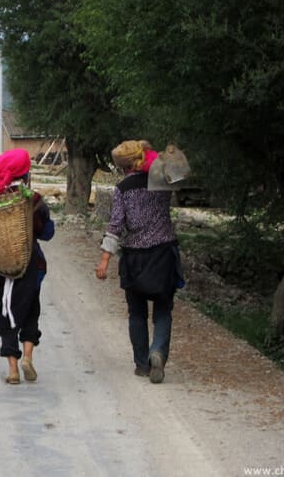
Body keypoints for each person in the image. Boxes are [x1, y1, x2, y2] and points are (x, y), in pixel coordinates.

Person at [95, 140, 183, 384]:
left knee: (136, 313)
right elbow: (180, 174)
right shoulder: (161, 181)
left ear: (122, 166)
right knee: (163, 310)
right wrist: (160, 155)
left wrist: (104, 260)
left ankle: (142, 364)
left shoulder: (123, 188)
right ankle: (158, 352)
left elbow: (115, 226)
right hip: (163, 254)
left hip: (134, 258)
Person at [0, 148, 55, 384]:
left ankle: (13, 370)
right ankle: (28, 356)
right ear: (26, 175)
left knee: (2, 314)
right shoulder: (33, 201)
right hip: (29, 267)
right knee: (30, 311)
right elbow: (47, 233)